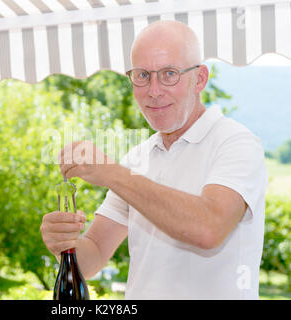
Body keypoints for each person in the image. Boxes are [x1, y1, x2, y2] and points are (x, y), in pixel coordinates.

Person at [40, 20, 268, 300]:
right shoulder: (137, 158)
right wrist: (65, 245)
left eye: (169, 73)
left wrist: (113, 173)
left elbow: (210, 228)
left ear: (200, 78)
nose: (154, 90)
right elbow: (94, 255)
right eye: (142, 75)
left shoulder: (236, 143)